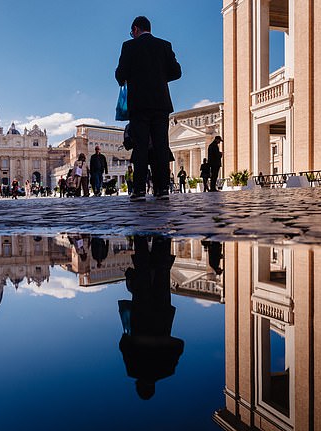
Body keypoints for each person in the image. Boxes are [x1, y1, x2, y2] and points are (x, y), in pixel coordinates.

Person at [115, 16, 182, 202]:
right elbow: (177, 72)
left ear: (135, 29)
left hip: (138, 104)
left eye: (132, 32)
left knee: (141, 146)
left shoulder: (129, 47)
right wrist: (159, 77)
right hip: (161, 103)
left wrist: (132, 78)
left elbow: (120, 74)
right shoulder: (164, 45)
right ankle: (162, 189)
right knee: (161, 145)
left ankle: (139, 190)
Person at [118, 236, 184, 399]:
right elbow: (124, 343)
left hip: (162, 314)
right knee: (142, 273)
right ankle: (140, 237)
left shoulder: (167, 371)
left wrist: (161, 340)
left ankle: (162, 238)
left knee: (161, 273)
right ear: (139, 386)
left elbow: (179, 345)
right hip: (140, 313)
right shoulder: (132, 370)